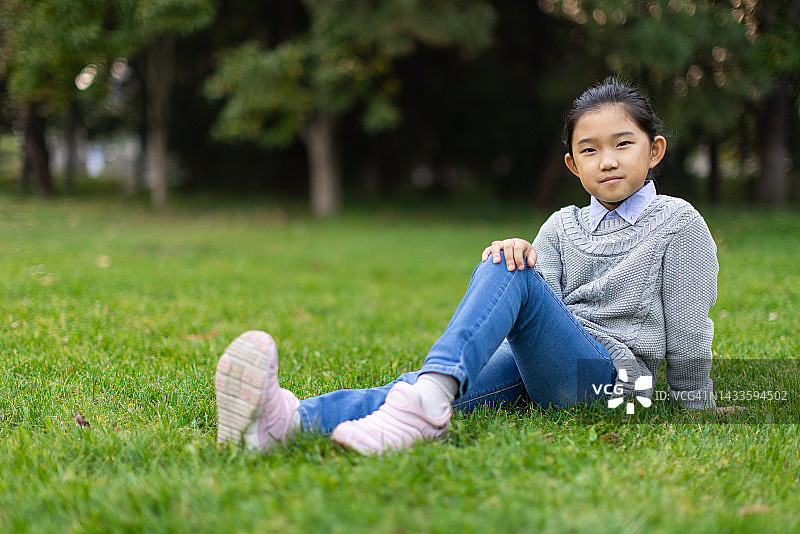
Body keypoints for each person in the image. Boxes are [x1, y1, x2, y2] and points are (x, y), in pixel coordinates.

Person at [214, 78, 719, 455]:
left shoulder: (677, 223)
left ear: (654, 151)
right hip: (547, 372)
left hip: (618, 386)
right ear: (573, 164)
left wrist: (697, 406)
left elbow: (690, 326)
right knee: (435, 372)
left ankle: (425, 402)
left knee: (512, 270)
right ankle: (287, 422)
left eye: (622, 144)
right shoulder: (563, 226)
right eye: (590, 150)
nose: (607, 160)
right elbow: (532, 317)